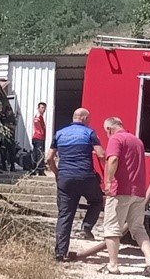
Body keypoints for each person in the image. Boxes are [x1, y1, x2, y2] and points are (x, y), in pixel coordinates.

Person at [76, 117, 150, 275]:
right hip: (139, 192)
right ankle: (149, 260)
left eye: (106, 132)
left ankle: (112, 265)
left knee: (111, 228)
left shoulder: (116, 139)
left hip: (120, 191)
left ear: (109, 129)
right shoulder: (137, 141)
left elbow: (113, 159)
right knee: (138, 228)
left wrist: (108, 181)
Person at [45, 108, 105, 262]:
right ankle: (86, 227)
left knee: (65, 215)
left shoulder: (59, 133)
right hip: (85, 177)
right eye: (89, 119)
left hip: (65, 179)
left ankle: (61, 253)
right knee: (97, 200)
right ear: (84, 118)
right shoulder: (90, 133)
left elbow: (49, 158)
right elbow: (101, 154)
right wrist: (108, 175)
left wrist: (57, 173)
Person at [0, 103, 18, 172]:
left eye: (9, 110)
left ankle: (12, 166)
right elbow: (2, 125)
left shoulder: (12, 118)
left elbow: (14, 127)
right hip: (4, 137)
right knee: (3, 152)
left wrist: (8, 125)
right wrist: (7, 126)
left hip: (11, 137)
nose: (8, 112)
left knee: (12, 152)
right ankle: (4, 166)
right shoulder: (2, 117)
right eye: (7, 110)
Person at [31, 102, 48, 175]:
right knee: (40, 154)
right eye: (42, 107)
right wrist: (41, 132)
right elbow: (37, 124)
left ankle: (34, 170)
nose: (43, 109)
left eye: (44, 108)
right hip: (38, 138)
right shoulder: (38, 116)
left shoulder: (40, 117)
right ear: (38, 108)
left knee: (35, 154)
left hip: (38, 138)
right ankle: (40, 171)